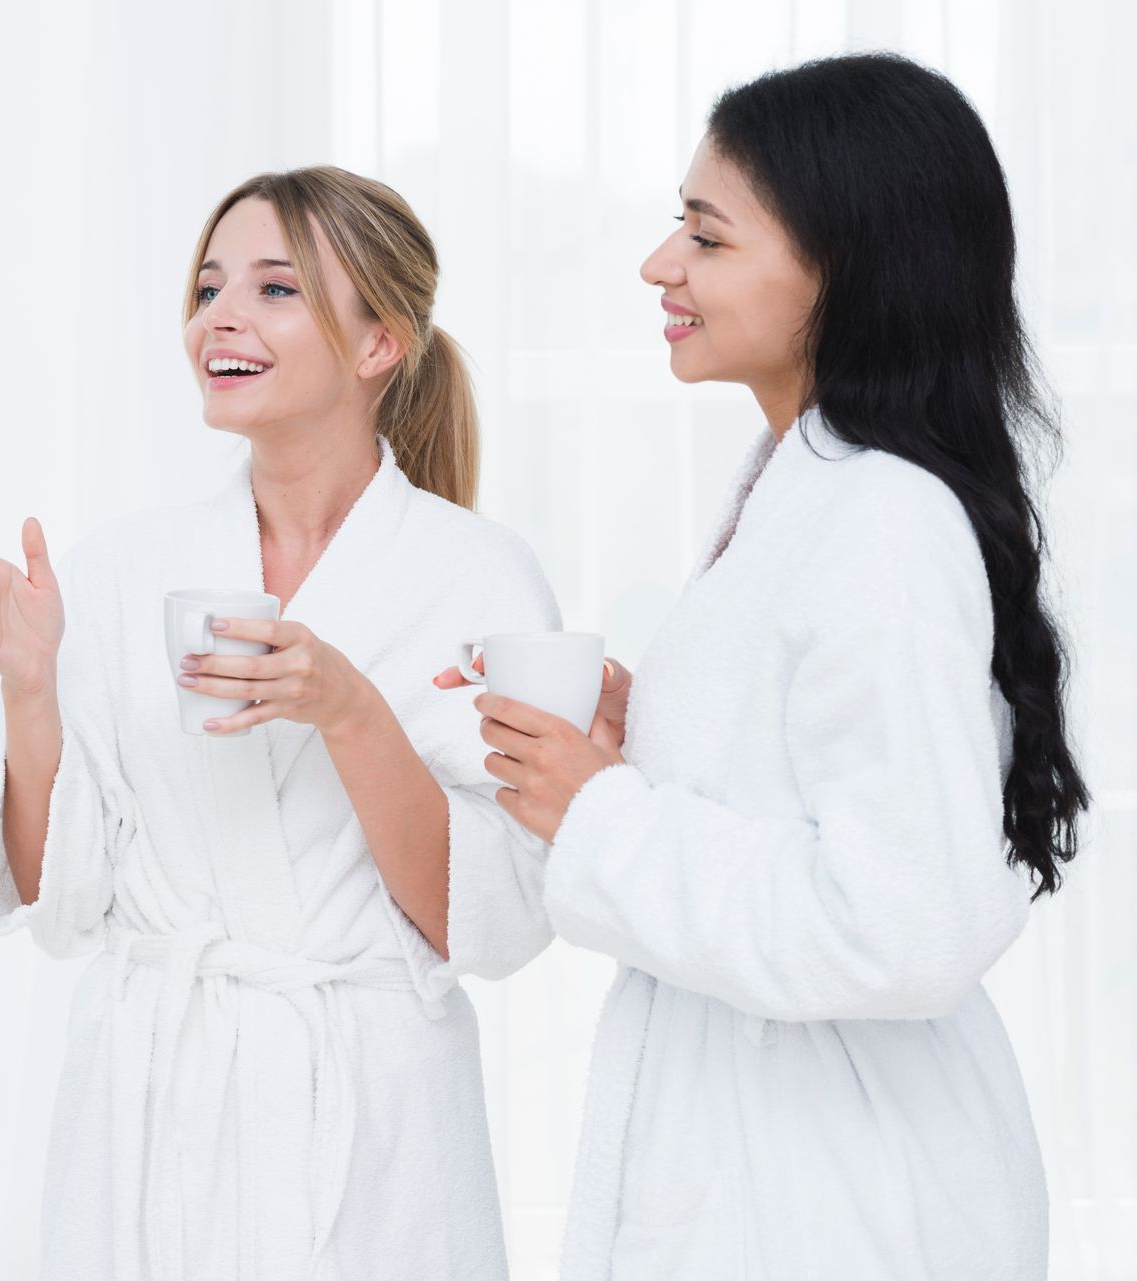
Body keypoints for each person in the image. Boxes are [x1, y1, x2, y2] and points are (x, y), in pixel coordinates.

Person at [455, 54, 1089, 1280]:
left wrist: (602, 812)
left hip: (834, 1197)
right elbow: (808, 787)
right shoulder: (808, 486)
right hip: (780, 1165)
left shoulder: (882, 517)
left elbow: (902, 921)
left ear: (841, 267)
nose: (660, 266)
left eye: (706, 235)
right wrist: (643, 741)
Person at [0, 166, 560, 1278]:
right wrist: (29, 684)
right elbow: (57, 903)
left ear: (378, 346)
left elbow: (489, 923)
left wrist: (348, 710)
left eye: (275, 289)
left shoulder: (478, 579)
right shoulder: (123, 571)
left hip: (371, 1124)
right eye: (210, 286)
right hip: (154, 1110)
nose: (219, 316)